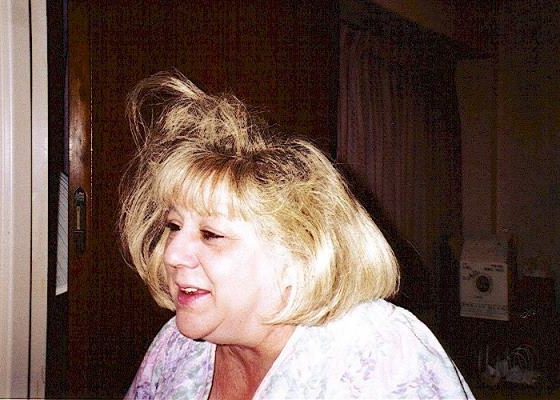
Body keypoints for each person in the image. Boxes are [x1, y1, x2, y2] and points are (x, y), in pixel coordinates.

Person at [120, 72, 474, 399]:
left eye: (211, 234)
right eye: (174, 226)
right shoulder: (176, 347)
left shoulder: (381, 353)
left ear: (298, 257)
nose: (172, 254)